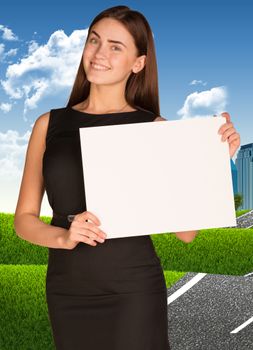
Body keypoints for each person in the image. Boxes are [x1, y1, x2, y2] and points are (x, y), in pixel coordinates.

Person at [13, 5, 240, 350]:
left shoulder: (154, 130)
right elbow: (24, 220)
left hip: (133, 290)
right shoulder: (49, 125)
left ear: (138, 63)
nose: (99, 54)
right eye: (94, 41)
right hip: (66, 289)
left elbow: (186, 232)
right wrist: (64, 237)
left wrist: (212, 160)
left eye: (115, 46)